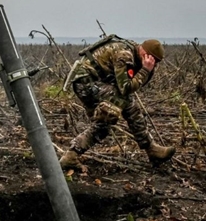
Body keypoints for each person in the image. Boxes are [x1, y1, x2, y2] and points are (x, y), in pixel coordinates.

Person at [60, 35, 176, 172]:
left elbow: (132, 84)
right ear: (145, 54)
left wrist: (146, 71)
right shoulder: (125, 55)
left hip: (94, 82)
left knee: (103, 126)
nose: (153, 64)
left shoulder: (134, 51)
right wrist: (145, 70)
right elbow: (125, 88)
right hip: (86, 82)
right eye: (152, 60)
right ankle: (151, 149)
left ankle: (71, 157)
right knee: (126, 103)